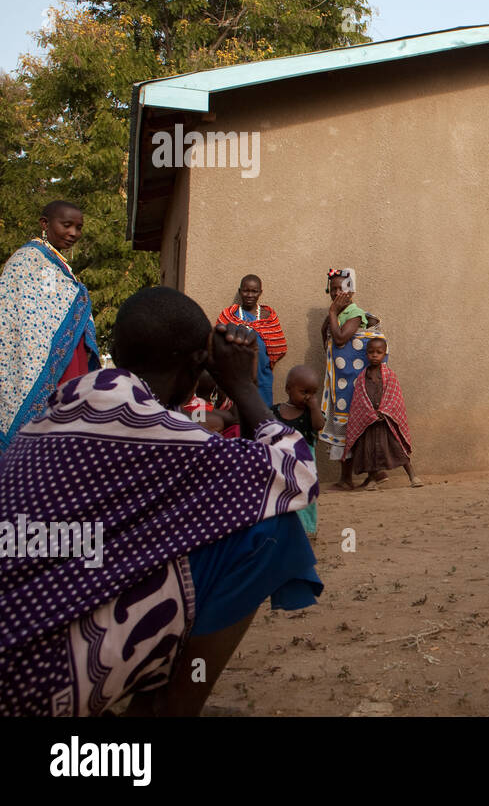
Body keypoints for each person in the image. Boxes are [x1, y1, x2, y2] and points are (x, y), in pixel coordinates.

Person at [0, 286, 322, 716]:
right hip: (31, 688)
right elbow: (296, 474)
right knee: (268, 532)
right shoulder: (158, 433)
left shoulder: (51, 415)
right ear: (196, 365)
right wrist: (243, 386)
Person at [0, 201, 100, 452]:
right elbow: (34, 318)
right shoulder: (28, 260)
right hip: (41, 362)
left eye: (78, 227)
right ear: (45, 224)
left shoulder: (54, 261)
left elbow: (54, 304)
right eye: (66, 225)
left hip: (65, 357)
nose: (74, 233)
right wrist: (78, 295)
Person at [319, 268, 383, 473]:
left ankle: (358, 476)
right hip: (340, 383)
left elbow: (339, 339)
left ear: (351, 291)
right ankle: (368, 475)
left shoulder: (354, 314)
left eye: (342, 288)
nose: (337, 293)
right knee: (346, 428)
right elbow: (326, 339)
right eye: (333, 289)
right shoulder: (339, 314)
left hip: (351, 384)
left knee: (351, 425)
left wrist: (331, 313)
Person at [341, 336, 421, 489]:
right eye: (371, 352)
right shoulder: (362, 377)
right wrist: (370, 414)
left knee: (398, 448)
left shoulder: (390, 375)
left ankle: (413, 476)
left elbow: (395, 398)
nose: (375, 355)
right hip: (369, 423)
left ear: (384, 354)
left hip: (387, 422)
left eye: (379, 352)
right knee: (370, 451)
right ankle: (372, 480)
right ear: (366, 354)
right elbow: (359, 401)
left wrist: (384, 412)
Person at [216, 275, 287, 407]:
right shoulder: (229, 315)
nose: (249, 295)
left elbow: (279, 346)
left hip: (262, 377)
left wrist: (263, 360)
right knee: (236, 418)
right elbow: (218, 344)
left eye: (254, 291)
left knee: (261, 416)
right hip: (235, 377)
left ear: (260, 292)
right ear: (239, 291)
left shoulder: (268, 316)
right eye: (245, 291)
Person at [274, 365, 325, 536]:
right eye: (304, 392)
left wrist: (314, 408)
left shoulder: (311, 414)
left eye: (313, 392)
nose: (309, 397)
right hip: (281, 464)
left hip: (304, 465)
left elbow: (319, 425)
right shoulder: (275, 411)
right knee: (282, 495)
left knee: (305, 497)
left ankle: (308, 529)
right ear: (288, 389)